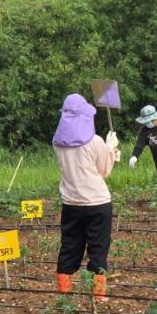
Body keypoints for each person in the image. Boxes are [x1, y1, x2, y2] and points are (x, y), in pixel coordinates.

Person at [53, 93, 115, 302]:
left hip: (70, 202)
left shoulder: (58, 142)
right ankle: (98, 295)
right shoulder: (95, 141)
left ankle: (64, 294)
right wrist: (111, 150)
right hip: (97, 202)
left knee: (70, 246)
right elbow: (104, 171)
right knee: (98, 248)